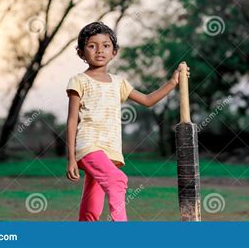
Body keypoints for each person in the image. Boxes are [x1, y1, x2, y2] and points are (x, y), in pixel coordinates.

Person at [65, 21, 190, 221]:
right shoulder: (79, 81)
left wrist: (172, 82)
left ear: (114, 52)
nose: (99, 50)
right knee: (117, 180)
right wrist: (70, 157)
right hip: (88, 145)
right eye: (92, 46)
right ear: (81, 52)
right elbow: (72, 120)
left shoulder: (119, 83)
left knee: (93, 201)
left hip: (109, 149)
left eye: (106, 45)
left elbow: (148, 100)